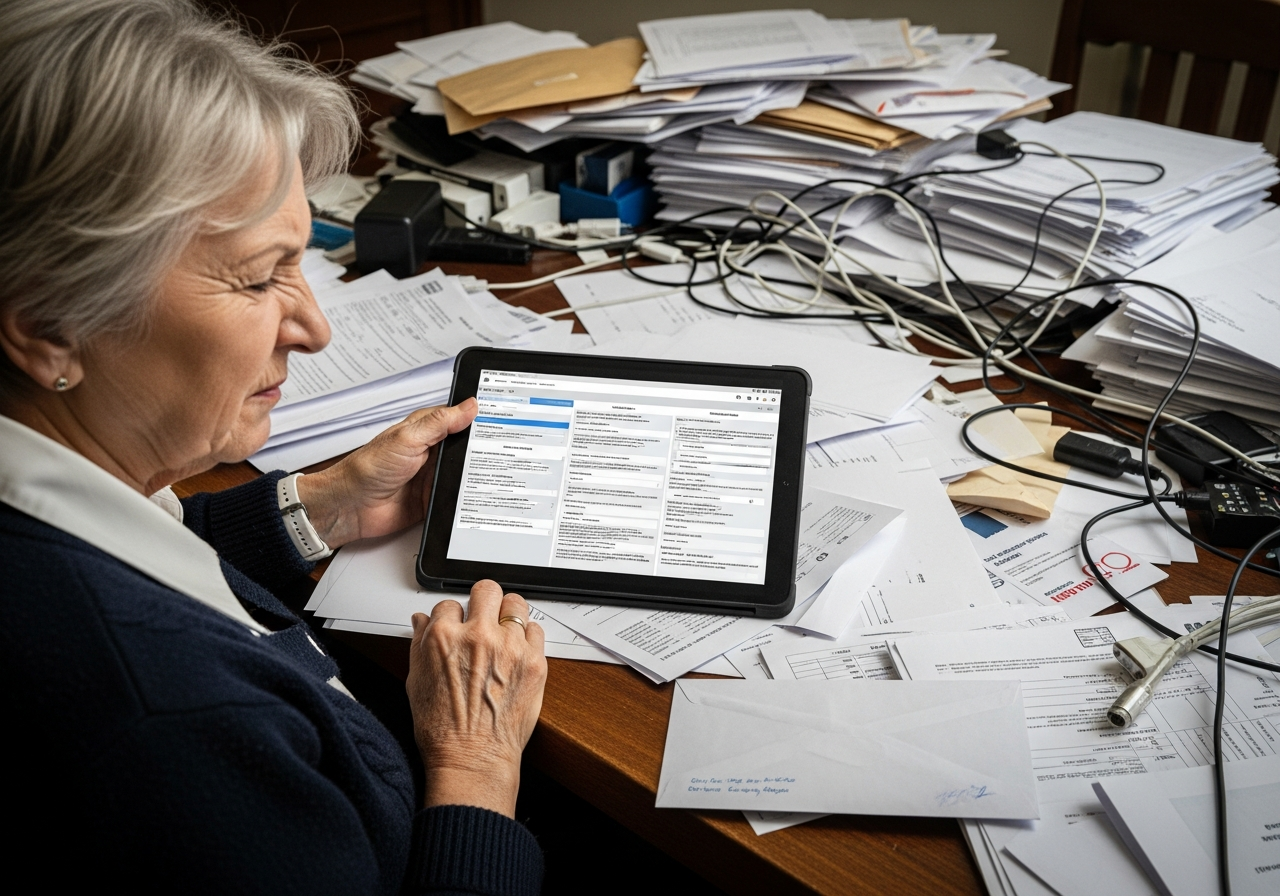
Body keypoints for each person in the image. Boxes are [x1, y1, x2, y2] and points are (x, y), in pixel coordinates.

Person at [0, 1, 548, 892]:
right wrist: (476, 767)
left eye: (304, 263)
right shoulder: (169, 719)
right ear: (48, 327)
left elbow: (122, 552)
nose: (315, 327)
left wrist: (317, 506)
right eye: (260, 277)